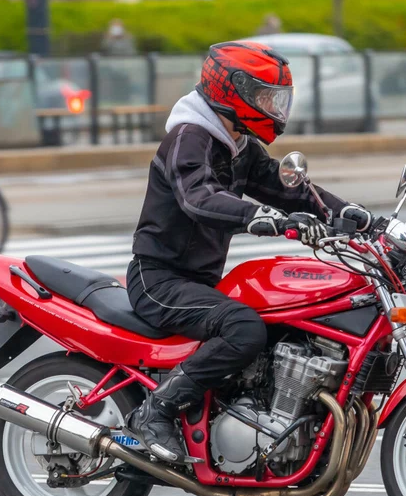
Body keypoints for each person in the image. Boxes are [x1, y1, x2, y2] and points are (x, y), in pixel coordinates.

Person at [125, 41, 373, 462]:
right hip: (159, 280)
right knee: (244, 328)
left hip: (197, 280)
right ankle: (154, 412)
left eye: (275, 98)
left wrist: (358, 217)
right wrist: (261, 216)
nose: (272, 106)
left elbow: (288, 189)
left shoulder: (236, 145)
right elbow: (198, 197)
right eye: (263, 96)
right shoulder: (189, 138)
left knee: (280, 325)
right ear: (231, 90)